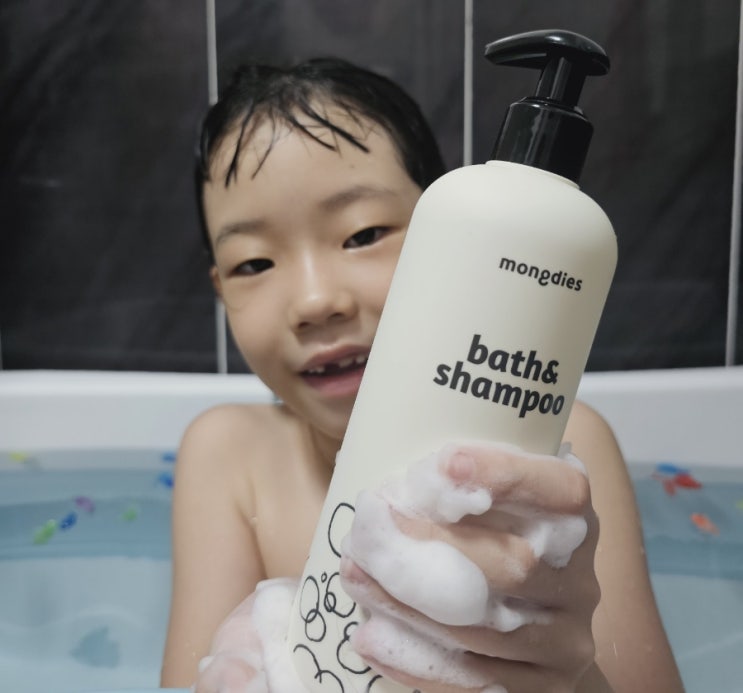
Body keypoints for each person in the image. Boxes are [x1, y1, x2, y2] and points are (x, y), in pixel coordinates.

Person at [160, 57, 684, 693]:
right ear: (220, 290)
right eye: (253, 263)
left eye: (364, 234)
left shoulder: (564, 452)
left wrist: (563, 678)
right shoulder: (227, 456)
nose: (314, 301)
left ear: (455, 236)